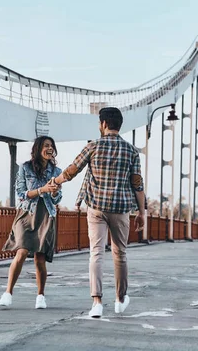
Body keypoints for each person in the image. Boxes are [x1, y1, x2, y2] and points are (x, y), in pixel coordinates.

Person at [54, 107, 145, 318]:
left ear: (103, 124)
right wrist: (142, 212)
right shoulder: (131, 151)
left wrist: (55, 182)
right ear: (119, 125)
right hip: (121, 209)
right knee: (120, 254)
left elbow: (71, 171)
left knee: (96, 252)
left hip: (96, 208)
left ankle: (97, 302)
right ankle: (120, 300)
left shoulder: (93, 146)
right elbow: (137, 184)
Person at [0, 136, 62, 309]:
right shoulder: (25, 168)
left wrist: (55, 192)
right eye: (46, 146)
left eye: (52, 146)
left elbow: (57, 198)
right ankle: (8, 293)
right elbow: (20, 193)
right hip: (27, 213)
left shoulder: (57, 172)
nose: (49, 149)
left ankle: (40, 296)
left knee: (40, 259)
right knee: (21, 252)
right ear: (38, 148)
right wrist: (42, 189)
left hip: (46, 214)